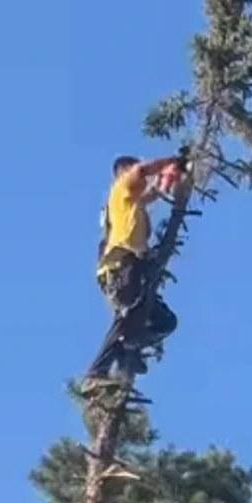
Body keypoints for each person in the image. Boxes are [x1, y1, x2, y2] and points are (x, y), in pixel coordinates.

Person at [85, 154, 183, 385]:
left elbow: (153, 192)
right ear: (123, 173)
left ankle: (129, 348)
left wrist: (172, 179)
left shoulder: (133, 203)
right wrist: (173, 159)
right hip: (119, 265)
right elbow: (141, 170)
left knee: (165, 322)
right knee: (127, 314)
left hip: (134, 267)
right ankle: (97, 371)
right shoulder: (120, 189)